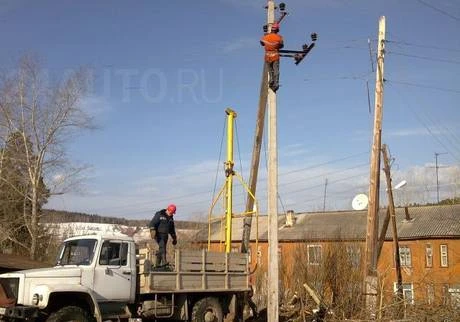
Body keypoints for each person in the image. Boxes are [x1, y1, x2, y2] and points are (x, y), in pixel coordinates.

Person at [260, 22, 284, 92]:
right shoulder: (279, 37)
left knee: (270, 70)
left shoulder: (265, 37)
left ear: (272, 29)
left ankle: (271, 80)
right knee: (276, 70)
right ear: (277, 30)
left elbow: (261, 43)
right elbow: (282, 45)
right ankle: (275, 84)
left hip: (267, 56)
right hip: (275, 56)